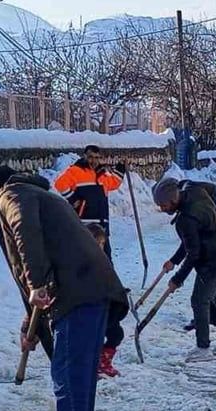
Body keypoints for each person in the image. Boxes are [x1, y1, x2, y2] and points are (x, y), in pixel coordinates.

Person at [0, 165, 129, 411]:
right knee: (77, 377)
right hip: (89, 290)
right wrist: (31, 325)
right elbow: (40, 262)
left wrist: (36, 283)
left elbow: (25, 232)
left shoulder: (12, 194)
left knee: (69, 377)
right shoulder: (39, 194)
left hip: (78, 293)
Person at [54, 145, 128, 375]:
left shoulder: (102, 175)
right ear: (85, 157)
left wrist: (120, 170)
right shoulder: (76, 171)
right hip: (86, 227)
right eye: (91, 157)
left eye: (97, 157)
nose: (94, 160)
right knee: (89, 264)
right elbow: (60, 185)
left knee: (107, 262)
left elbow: (113, 184)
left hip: (103, 228)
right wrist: (75, 199)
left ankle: (109, 289)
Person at [153, 177, 216, 362]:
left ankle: (203, 348)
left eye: (163, 205)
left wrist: (177, 279)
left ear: (173, 200)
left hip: (213, 260)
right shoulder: (194, 189)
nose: (162, 209)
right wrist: (174, 261)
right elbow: (193, 240)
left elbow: (194, 253)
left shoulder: (185, 219)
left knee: (199, 301)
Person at [85, 222, 124, 378]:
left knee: (116, 334)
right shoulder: (82, 262)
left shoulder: (104, 262)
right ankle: (91, 365)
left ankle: (103, 362)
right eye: (97, 243)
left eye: (102, 243)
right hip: (90, 310)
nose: (100, 247)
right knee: (93, 339)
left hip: (105, 308)